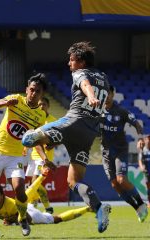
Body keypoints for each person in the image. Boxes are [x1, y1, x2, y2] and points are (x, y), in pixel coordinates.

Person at [21, 41, 111, 233]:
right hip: (89, 133)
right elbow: (109, 98)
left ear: (81, 62)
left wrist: (91, 96)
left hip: (73, 123)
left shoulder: (79, 73)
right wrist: (98, 103)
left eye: (71, 60)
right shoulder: (104, 77)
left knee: (29, 139)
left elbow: (85, 84)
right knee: (73, 181)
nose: (69, 64)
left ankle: (45, 138)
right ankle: (98, 207)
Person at [0, 73, 55, 238]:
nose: (33, 94)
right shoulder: (16, 99)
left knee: (20, 189)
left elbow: (37, 140)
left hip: (16, 156)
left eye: (38, 92)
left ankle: (22, 219)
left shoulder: (40, 116)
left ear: (42, 94)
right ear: (27, 89)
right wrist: (6, 103)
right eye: (32, 90)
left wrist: (45, 159)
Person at [0, 169, 91, 227]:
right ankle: (43, 176)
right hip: (24, 205)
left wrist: (11, 222)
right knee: (29, 191)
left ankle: (87, 209)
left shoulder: (11, 205)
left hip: (30, 213)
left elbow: (28, 220)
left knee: (56, 219)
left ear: (3, 195)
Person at [100, 85, 147, 222]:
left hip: (120, 150)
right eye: (104, 94)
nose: (106, 96)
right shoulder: (97, 112)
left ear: (113, 94)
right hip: (105, 153)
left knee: (122, 180)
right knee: (115, 184)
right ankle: (137, 207)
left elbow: (137, 124)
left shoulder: (121, 111)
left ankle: (141, 204)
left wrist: (140, 138)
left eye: (109, 93)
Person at [25, 97, 57, 213]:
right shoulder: (36, 119)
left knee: (35, 182)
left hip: (44, 158)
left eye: (43, 104)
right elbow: (30, 136)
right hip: (34, 155)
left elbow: (61, 137)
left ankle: (34, 206)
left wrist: (54, 144)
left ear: (48, 106)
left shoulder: (53, 121)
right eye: (39, 104)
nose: (41, 106)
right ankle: (46, 207)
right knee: (34, 183)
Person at [138, 135, 150, 208]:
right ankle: (149, 202)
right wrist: (141, 166)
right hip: (147, 172)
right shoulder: (143, 150)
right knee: (148, 188)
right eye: (147, 139)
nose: (148, 141)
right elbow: (140, 160)